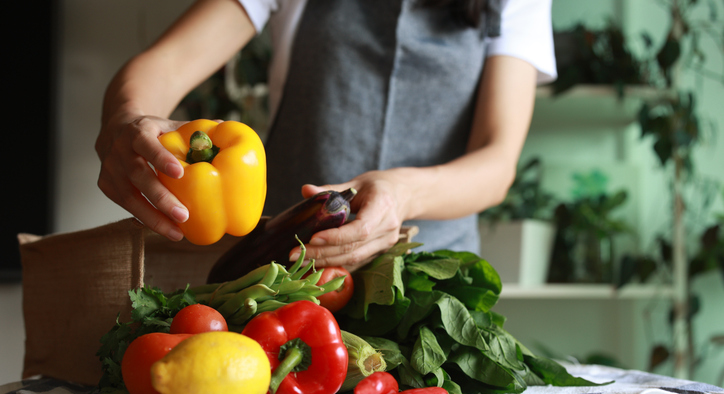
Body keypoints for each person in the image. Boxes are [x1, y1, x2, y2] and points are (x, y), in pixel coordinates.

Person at [95, 0, 556, 268]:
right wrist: (127, 119)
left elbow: (496, 163)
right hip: (282, 271)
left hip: (430, 280)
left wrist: (399, 195)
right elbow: (167, 65)